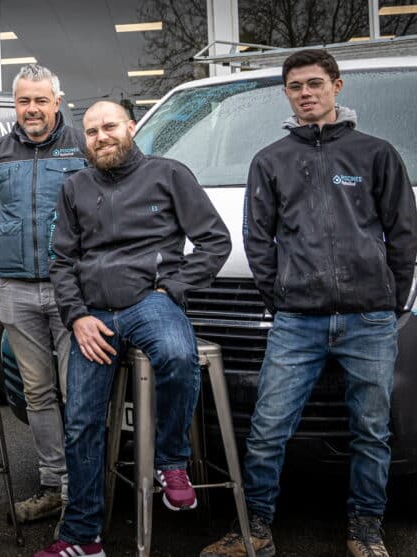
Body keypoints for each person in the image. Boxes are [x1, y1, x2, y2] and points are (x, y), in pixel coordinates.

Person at [201, 49, 417, 557]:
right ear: (287, 93)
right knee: (268, 426)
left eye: (315, 83)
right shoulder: (271, 161)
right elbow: (257, 241)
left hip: (368, 319)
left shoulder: (376, 154)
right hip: (297, 322)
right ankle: (254, 528)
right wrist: (283, 297)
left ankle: (365, 530)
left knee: (371, 430)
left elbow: (404, 235)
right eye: (296, 86)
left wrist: (388, 299)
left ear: (337, 87)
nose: (306, 93)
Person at [38, 100, 231, 557]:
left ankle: (170, 460)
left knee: (179, 354)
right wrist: (77, 316)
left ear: (130, 127)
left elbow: (214, 241)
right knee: (82, 420)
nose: (101, 137)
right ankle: (83, 536)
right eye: (91, 131)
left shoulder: (169, 174)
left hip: (149, 301)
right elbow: (62, 261)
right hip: (94, 315)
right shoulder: (75, 187)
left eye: (108, 127)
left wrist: (173, 288)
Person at [0, 63, 88, 523]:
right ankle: (52, 485)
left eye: (41, 100)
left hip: (72, 291)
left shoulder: (84, 146)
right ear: (15, 103)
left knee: (76, 392)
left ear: (57, 102)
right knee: (37, 393)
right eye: (24, 100)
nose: (32, 108)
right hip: (17, 289)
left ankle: (81, 493)